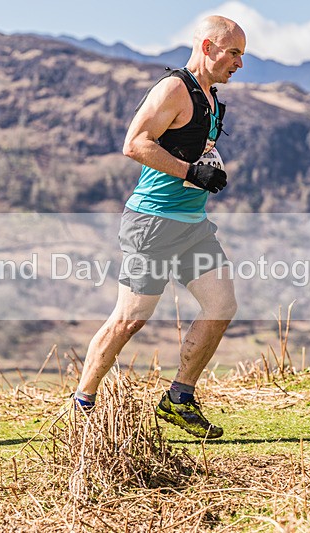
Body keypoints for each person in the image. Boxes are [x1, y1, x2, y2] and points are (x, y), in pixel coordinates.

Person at [74, 15, 246, 439]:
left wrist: (206, 172)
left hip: (193, 226)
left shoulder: (211, 96)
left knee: (221, 307)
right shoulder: (174, 89)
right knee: (129, 320)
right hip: (153, 223)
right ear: (207, 47)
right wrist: (193, 172)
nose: (240, 63)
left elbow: (194, 149)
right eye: (234, 53)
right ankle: (81, 408)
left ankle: (178, 400)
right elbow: (135, 144)